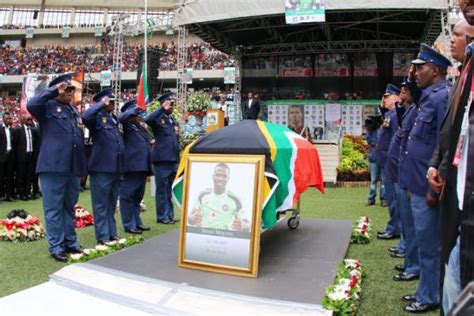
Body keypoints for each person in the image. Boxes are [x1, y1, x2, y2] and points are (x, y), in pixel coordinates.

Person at [425, 17, 474, 313]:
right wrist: (437, 166)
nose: (451, 40)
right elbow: (448, 136)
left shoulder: (451, 87)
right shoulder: (461, 79)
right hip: (455, 192)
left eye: (458, 34)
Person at [401, 43, 451, 313]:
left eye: (420, 68)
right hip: (419, 183)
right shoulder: (429, 96)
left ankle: (431, 296)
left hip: (429, 185)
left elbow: (444, 144)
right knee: (424, 244)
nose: (415, 72)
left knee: (430, 246)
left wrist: (435, 188)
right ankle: (426, 290)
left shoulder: (441, 96)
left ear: (435, 69)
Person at [26, 74, 86, 262]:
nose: (70, 92)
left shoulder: (73, 110)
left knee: (69, 207)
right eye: (67, 89)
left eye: (71, 89)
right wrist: (53, 90)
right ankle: (56, 246)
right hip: (53, 166)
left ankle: (71, 242)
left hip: (72, 166)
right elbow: (31, 105)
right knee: (53, 209)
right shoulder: (47, 107)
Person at [82, 89, 124, 244]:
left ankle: (112, 233)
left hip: (115, 167)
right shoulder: (96, 117)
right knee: (100, 204)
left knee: (111, 203)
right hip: (101, 168)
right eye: (109, 101)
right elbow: (85, 116)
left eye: (113, 101)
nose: (112, 104)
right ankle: (103, 236)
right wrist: (100, 104)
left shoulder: (112, 119)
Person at [145, 93, 180, 224]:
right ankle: (162, 216)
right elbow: (147, 120)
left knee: (169, 190)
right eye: (169, 104)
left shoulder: (172, 120)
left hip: (172, 159)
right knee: (161, 190)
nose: (172, 106)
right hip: (162, 160)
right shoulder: (158, 119)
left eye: (172, 104)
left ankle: (169, 215)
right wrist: (161, 109)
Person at [118, 99, 151, 234]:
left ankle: (137, 221)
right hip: (131, 166)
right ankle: (129, 224)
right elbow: (122, 117)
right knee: (127, 195)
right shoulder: (125, 124)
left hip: (142, 166)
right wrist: (134, 110)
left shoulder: (138, 126)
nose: (137, 115)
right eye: (134, 113)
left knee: (138, 196)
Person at [188, 163, 249, 232]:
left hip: (223, 239)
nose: (220, 179)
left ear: (228, 178)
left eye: (224, 176)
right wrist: (193, 218)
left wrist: (243, 225)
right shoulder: (203, 195)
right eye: (218, 175)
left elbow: (247, 225)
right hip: (203, 236)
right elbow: (190, 218)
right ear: (213, 176)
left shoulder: (235, 200)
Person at [377, 84, 400, 241]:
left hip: (391, 164)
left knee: (394, 200)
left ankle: (394, 228)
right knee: (391, 198)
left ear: (397, 98)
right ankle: (393, 226)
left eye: (387, 97)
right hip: (385, 163)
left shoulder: (396, 115)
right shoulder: (389, 114)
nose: (384, 99)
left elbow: (395, 140)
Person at [13, 113, 35, 200]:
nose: (30, 121)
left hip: (30, 155)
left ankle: (28, 192)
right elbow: (15, 144)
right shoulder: (18, 130)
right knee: (20, 175)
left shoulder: (32, 130)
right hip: (21, 156)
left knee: (28, 175)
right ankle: (21, 193)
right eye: (28, 120)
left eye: (30, 119)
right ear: (23, 120)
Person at [364, 115, 382, 206]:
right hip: (374, 157)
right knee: (373, 179)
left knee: (382, 180)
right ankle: (371, 198)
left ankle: (383, 199)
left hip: (382, 157)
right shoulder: (370, 132)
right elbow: (368, 140)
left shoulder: (381, 131)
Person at [0, 112, 15, 202]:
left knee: (10, 176)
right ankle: (1, 195)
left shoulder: (12, 130)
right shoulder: (0, 129)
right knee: (1, 176)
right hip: (2, 156)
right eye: (7, 118)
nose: (9, 120)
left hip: (10, 155)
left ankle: (9, 195)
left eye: (9, 118)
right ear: (3, 119)